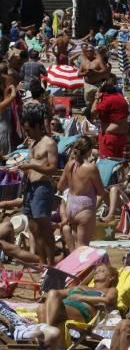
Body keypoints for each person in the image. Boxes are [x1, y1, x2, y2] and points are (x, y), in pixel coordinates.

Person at [19, 104, 58, 265]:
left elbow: (52, 168)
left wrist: (32, 165)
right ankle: (42, 262)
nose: (27, 133)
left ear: (37, 126)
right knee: (34, 228)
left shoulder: (49, 143)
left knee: (45, 227)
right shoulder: (33, 143)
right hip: (30, 187)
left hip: (42, 187)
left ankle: (50, 263)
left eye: (29, 130)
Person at [57, 136, 106, 250]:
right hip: (84, 207)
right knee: (83, 247)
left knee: (75, 247)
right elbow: (101, 191)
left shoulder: (69, 165)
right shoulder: (91, 168)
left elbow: (60, 186)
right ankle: (79, 268)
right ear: (89, 150)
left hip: (71, 204)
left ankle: (72, 267)